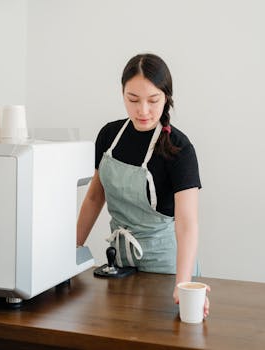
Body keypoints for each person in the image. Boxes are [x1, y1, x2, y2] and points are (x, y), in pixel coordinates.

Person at [77, 53, 210, 317]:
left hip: (167, 267)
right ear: (122, 94)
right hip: (121, 264)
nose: (143, 111)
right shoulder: (109, 136)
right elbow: (94, 198)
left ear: (166, 98)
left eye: (153, 100)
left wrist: (182, 284)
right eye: (133, 100)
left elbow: (187, 223)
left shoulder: (179, 149)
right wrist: (69, 253)